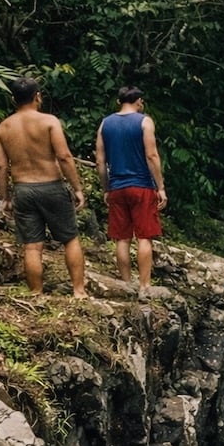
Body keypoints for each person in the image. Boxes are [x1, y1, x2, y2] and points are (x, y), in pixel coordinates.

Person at [0, 77, 88, 297]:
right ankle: (79, 291)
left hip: (23, 189)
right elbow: (64, 156)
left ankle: (36, 292)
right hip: (52, 186)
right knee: (70, 239)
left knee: (32, 246)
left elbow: (1, 166)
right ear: (37, 96)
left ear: (13, 99)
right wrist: (77, 188)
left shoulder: (3, 128)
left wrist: (5, 198)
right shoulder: (49, 121)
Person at [95, 86, 166, 297]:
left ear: (119, 102)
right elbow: (151, 155)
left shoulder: (105, 124)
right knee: (144, 237)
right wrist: (160, 187)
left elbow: (100, 161)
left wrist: (106, 188)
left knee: (122, 238)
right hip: (141, 186)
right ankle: (144, 286)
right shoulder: (144, 122)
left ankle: (126, 284)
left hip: (117, 187)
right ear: (139, 101)